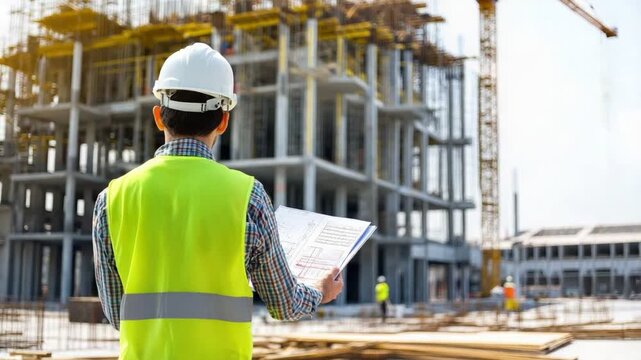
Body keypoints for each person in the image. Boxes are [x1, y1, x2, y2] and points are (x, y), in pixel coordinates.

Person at [92, 43, 343, 359]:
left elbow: (118, 315)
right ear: (223, 121)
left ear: (158, 116)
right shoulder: (247, 196)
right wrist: (320, 291)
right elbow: (285, 303)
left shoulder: (112, 199)